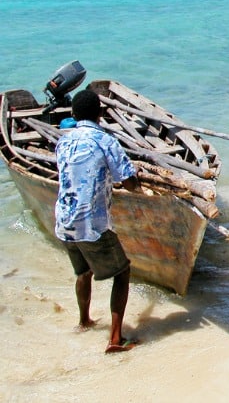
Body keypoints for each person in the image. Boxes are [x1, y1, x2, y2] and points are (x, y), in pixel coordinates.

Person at [54, 89, 140, 353]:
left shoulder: (63, 142)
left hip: (64, 221)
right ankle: (115, 339)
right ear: (101, 114)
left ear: (73, 115)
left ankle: (84, 321)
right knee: (122, 272)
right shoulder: (105, 140)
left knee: (83, 272)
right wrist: (137, 180)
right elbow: (129, 182)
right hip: (91, 223)